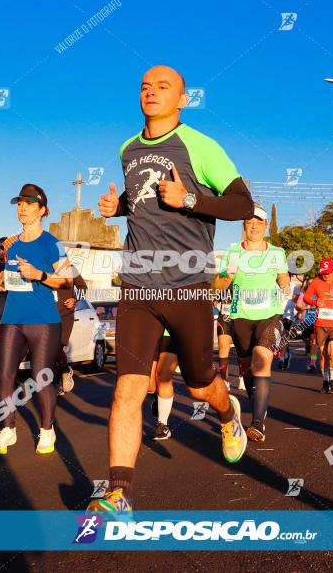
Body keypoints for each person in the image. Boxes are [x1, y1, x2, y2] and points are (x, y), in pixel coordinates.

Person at [89, 65, 254, 514]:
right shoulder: (127, 147)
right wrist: (116, 206)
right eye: (145, 86)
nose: (151, 92)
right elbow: (141, 199)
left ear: (183, 99)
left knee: (200, 386)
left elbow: (242, 204)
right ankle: (118, 491)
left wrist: (192, 200)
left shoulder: (200, 146)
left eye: (163, 87)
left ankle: (227, 414)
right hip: (139, 285)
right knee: (128, 388)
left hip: (189, 286)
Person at [0, 184, 71, 454]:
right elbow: (10, 276)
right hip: (13, 317)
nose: (22, 208)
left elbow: (67, 280)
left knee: (40, 377)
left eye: (29, 204)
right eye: (19, 203)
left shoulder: (52, 243)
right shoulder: (11, 245)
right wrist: (0, 281)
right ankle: (8, 429)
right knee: (4, 375)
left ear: (43, 210)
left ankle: (47, 430)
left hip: (44, 320)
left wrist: (40, 275)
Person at [219, 204, 291, 441]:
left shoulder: (276, 252)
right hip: (240, 317)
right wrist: (226, 277)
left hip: (269, 314)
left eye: (259, 222)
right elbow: (219, 285)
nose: (254, 226)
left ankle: (258, 423)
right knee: (248, 369)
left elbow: (282, 276)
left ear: (264, 226)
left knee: (262, 359)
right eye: (250, 222)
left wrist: (285, 286)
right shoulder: (232, 252)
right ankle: (258, 407)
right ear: (244, 226)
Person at [300, 258, 333, 394]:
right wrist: (316, 301)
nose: (326, 275)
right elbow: (306, 298)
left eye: (328, 272)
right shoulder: (316, 282)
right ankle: (325, 381)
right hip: (320, 323)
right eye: (323, 272)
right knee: (323, 354)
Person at [54, 265, 88, 396]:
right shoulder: (43, 267)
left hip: (65, 315)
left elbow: (83, 288)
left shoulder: (70, 269)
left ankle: (63, 374)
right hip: (47, 315)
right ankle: (61, 375)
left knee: (58, 347)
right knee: (49, 350)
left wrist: (75, 299)